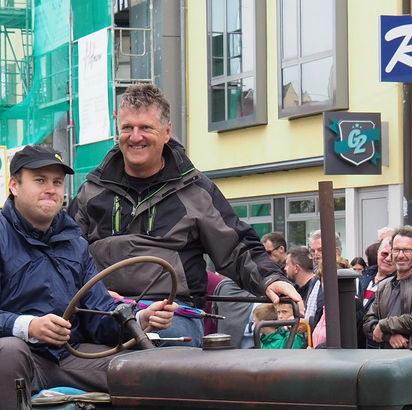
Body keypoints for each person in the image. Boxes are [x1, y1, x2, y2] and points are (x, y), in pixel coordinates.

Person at [71, 84, 299, 347]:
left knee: (162, 350)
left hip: (171, 310)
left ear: (167, 132)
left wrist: (271, 279)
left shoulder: (195, 191)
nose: (135, 137)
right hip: (103, 309)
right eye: (127, 128)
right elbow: (66, 253)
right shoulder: (92, 191)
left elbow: (235, 246)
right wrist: (94, 294)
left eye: (146, 128)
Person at [0, 144, 174, 410]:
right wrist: (29, 327)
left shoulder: (74, 243)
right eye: (39, 180)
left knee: (148, 369)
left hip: (67, 357)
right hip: (18, 359)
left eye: (57, 182)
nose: (51, 189)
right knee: (8, 351)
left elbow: (99, 314)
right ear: (14, 185)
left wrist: (139, 318)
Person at [363, 227, 412, 348]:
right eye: (397, 250)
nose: (400, 255)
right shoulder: (384, 285)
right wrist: (388, 337)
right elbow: (368, 322)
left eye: (406, 250)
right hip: (384, 359)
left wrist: (384, 325)